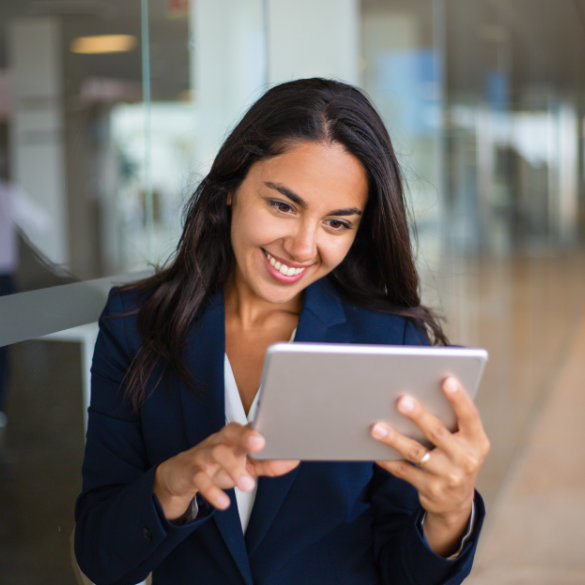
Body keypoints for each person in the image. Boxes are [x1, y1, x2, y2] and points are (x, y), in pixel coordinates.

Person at [74, 78, 490, 585]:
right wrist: (171, 484)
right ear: (230, 190)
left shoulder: (387, 341)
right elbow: (101, 558)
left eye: (337, 223)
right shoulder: (134, 326)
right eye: (283, 206)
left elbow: (404, 573)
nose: (302, 246)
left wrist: (450, 516)